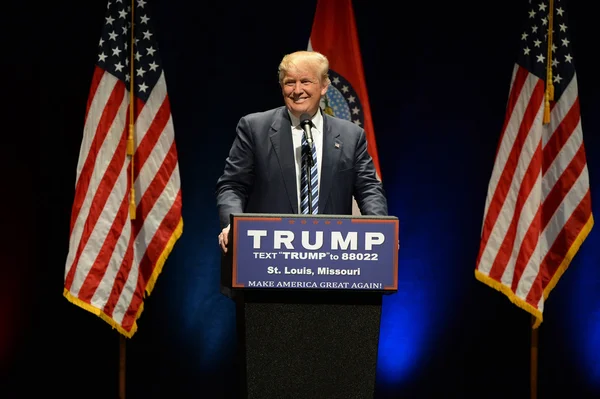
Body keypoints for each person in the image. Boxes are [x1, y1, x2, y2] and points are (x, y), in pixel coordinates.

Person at [216, 50, 387, 252]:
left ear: (324, 86)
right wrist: (232, 224)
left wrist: (381, 230)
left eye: (306, 81)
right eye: (290, 82)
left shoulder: (351, 135)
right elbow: (233, 186)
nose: (297, 90)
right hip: (268, 253)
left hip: (331, 257)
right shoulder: (254, 128)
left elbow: (368, 190)